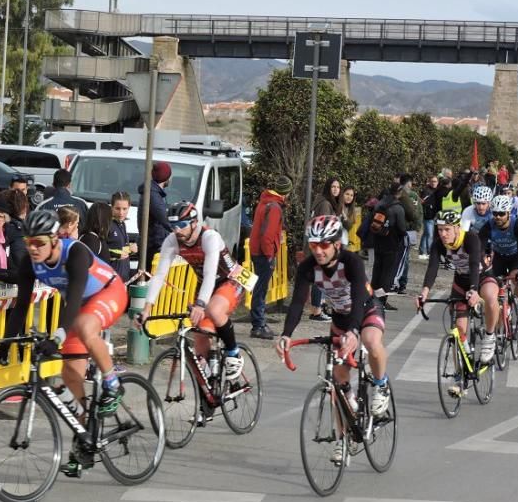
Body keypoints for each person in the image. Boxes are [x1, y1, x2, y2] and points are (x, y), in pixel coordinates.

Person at [5, 209, 128, 475]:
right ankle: (83, 443)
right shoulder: (29, 263)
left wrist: (58, 335)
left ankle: (112, 382)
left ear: (54, 238)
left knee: (84, 326)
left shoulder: (76, 252)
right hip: (78, 307)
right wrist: (5, 342)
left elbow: (72, 299)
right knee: (70, 376)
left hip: (109, 293)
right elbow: (22, 305)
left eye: (39, 242)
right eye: (28, 243)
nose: (33, 248)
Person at [276, 215, 391, 445]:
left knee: (371, 341)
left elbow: (359, 298)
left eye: (324, 245)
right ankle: (344, 433)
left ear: (337, 244)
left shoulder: (351, 262)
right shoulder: (308, 267)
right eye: (313, 245)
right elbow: (298, 302)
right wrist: (286, 334)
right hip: (339, 316)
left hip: (366, 310)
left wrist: (354, 332)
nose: (318, 251)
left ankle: (381, 385)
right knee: (338, 379)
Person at [139, 202, 246, 382]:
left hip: (230, 280)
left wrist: (200, 305)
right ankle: (207, 389)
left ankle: (233, 352)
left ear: (194, 223)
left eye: (181, 225)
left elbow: (210, 273)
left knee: (214, 310)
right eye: (173, 226)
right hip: (206, 286)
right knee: (200, 334)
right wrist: (146, 309)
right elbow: (159, 276)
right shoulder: (172, 240)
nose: (177, 231)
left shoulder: (209, 237)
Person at [419, 210, 500, 370]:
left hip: (482, 277)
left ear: (457, 228)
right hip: (461, 281)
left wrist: (474, 290)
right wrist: (424, 292)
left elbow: (474, 264)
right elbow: (433, 268)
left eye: (447, 229)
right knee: (458, 331)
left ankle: (490, 337)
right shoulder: (438, 243)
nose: (442, 234)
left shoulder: (470, 238)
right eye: (440, 229)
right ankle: (460, 375)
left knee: (490, 297)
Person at [249, 175, 291, 339]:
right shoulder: (275, 207)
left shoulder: (265, 201)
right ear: (286, 192)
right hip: (263, 253)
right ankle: (258, 325)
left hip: (256, 250)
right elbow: (268, 235)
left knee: (259, 288)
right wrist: (269, 255)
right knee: (261, 289)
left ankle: (259, 323)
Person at [479, 194, 518, 324]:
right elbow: (479, 248)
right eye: (495, 213)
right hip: (499, 257)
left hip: (516, 256)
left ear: (508, 213)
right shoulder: (488, 226)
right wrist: (482, 266)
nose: (498, 217)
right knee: (491, 283)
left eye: (501, 214)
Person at [308, 177, 342, 321]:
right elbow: (324, 227)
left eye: (338, 187)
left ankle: (319, 307)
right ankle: (316, 310)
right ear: (328, 188)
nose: (335, 189)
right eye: (333, 187)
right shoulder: (325, 204)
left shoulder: (325, 201)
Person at [370, 182, 407, 311]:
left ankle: (372, 297)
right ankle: (381, 300)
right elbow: (402, 228)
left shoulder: (380, 203)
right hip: (392, 243)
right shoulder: (398, 208)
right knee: (388, 273)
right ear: (400, 192)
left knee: (377, 269)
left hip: (378, 240)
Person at [139, 161, 172, 273]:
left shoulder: (153, 192)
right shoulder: (153, 195)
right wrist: (178, 231)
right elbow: (165, 220)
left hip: (151, 243)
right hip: (154, 245)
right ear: (167, 178)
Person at [393, 173, 422, 296]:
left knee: (403, 257)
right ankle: (400, 283)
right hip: (405, 230)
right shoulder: (405, 195)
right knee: (403, 258)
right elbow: (418, 214)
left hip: (404, 230)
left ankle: (400, 282)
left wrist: (416, 228)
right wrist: (416, 227)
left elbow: (417, 213)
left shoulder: (412, 196)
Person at [107, 191, 135, 282]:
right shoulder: (107, 225)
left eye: (124, 209)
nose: (121, 213)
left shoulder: (122, 224)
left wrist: (130, 249)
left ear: (129, 207)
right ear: (111, 207)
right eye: (117, 208)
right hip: (111, 278)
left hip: (123, 278)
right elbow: (101, 251)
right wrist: (117, 254)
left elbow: (121, 249)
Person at [419, 174, 440, 260]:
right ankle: (429, 252)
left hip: (434, 215)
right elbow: (423, 202)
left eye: (435, 181)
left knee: (426, 234)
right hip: (428, 215)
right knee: (430, 234)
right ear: (429, 182)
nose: (434, 183)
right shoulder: (426, 191)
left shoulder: (438, 190)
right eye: (432, 181)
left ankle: (422, 251)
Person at [342, 186, 362, 253]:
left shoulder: (352, 210)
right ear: (342, 194)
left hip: (346, 243)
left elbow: (349, 227)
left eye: (351, 195)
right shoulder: (338, 207)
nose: (349, 197)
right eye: (347, 194)